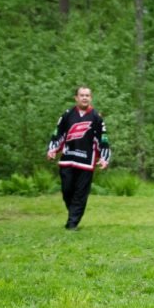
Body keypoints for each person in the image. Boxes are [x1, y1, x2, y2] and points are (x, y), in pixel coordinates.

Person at [47, 86, 111, 230]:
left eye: (87, 95)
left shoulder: (96, 117)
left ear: (91, 98)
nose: (84, 98)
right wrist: (52, 149)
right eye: (82, 95)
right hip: (68, 159)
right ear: (76, 98)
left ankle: (72, 224)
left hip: (86, 162)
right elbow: (58, 134)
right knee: (67, 190)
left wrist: (104, 157)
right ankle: (73, 215)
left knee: (80, 194)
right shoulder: (67, 115)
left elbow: (103, 139)